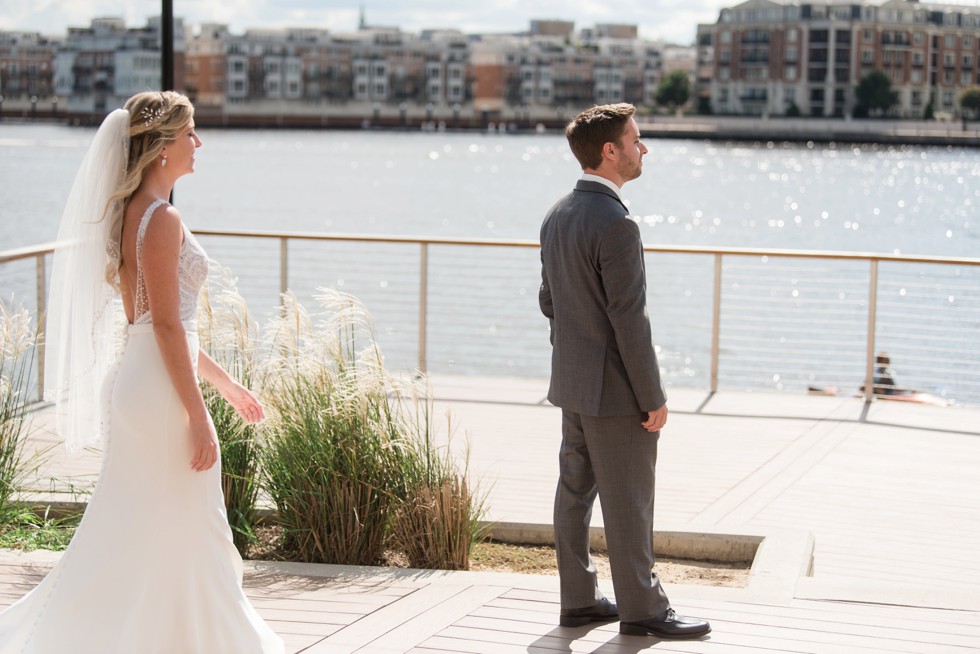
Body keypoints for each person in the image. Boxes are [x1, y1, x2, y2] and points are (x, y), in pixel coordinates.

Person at [0, 91, 284, 653]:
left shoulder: (140, 213)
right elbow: (165, 329)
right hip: (158, 394)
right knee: (173, 525)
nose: (198, 143)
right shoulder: (161, 217)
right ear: (162, 148)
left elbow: (157, 323)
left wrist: (224, 385)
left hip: (148, 380)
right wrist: (200, 417)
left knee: (151, 525)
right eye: (190, 133)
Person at [538, 103, 710, 640]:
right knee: (629, 499)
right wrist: (652, 395)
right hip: (615, 393)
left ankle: (580, 600)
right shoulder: (616, 222)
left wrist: (577, 357)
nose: (644, 147)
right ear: (610, 151)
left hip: (572, 383)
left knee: (574, 494)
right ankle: (643, 610)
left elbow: (550, 301)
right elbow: (629, 320)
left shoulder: (557, 214)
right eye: (636, 139)